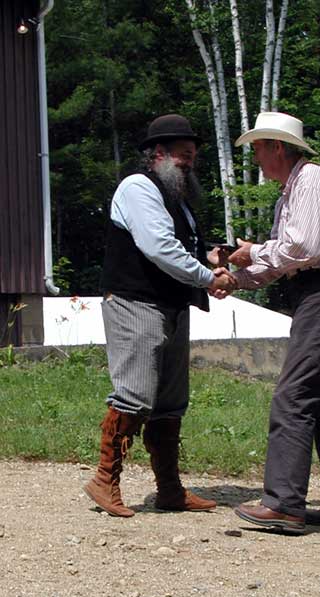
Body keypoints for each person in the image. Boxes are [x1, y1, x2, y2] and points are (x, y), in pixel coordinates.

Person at [213, 112, 320, 533]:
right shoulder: (292, 192)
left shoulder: (313, 181)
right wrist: (237, 277)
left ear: (277, 147)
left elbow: (301, 247)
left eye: (259, 149)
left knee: (293, 396)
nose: (258, 161)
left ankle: (284, 502)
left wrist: (251, 254)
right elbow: (285, 258)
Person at [84, 114, 236, 518]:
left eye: (192, 157)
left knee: (170, 401)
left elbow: (175, 249)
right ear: (159, 154)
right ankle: (104, 479)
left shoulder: (178, 202)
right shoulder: (137, 188)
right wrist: (208, 278)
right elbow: (158, 247)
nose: (189, 162)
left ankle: (169, 489)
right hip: (136, 302)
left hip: (168, 304)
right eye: (183, 155)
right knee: (134, 395)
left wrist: (209, 260)